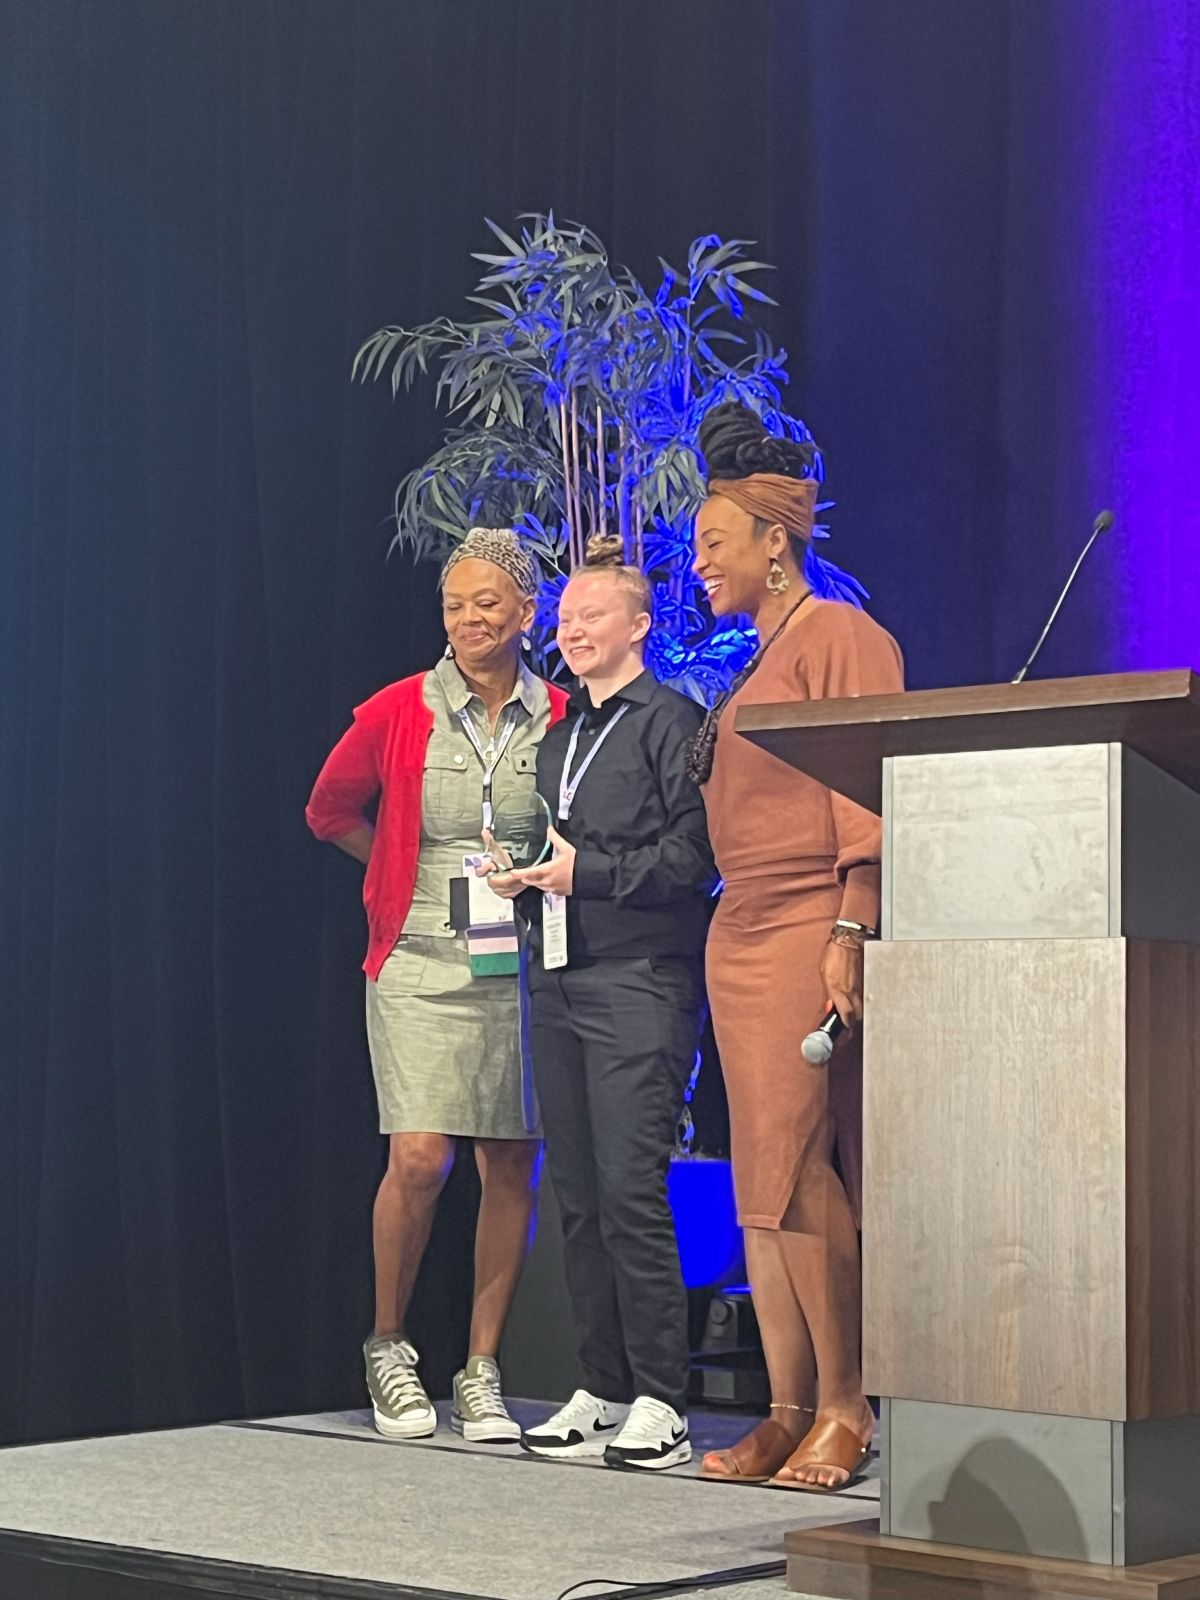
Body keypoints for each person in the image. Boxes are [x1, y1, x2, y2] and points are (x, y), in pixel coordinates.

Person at [305, 527, 569, 1445]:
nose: (468, 620)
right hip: (419, 953)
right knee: (420, 1157)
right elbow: (328, 809)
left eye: (487, 603)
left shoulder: (562, 714)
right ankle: (389, 1346)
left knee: (510, 1161)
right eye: (454, 605)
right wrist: (391, 869)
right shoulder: (397, 709)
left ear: (527, 613)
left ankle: (482, 1369)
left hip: (519, 960)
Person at [689, 403, 904, 1492]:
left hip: (806, 917)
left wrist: (851, 922)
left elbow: (867, 791)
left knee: (801, 1168)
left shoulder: (840, 636)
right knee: (759, 1184)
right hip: (740, 926)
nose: (698, 563)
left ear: (775, 540)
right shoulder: (760, 651)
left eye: (713, 542)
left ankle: (845, 1404)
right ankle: (782, 1407)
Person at [488, 535, 716, 1471]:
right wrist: (522, 878)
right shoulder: (559, 737)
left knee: (630, 1191)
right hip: (558, 974)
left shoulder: (674, 722)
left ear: (640, 625)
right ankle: (603, 1385)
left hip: (640, 981)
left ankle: (664, 1399)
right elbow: (558, 851)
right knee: (576, 1196)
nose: (571, 631)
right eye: (566, 618)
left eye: (591, 617)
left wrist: (587, 875)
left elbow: (694, 860)